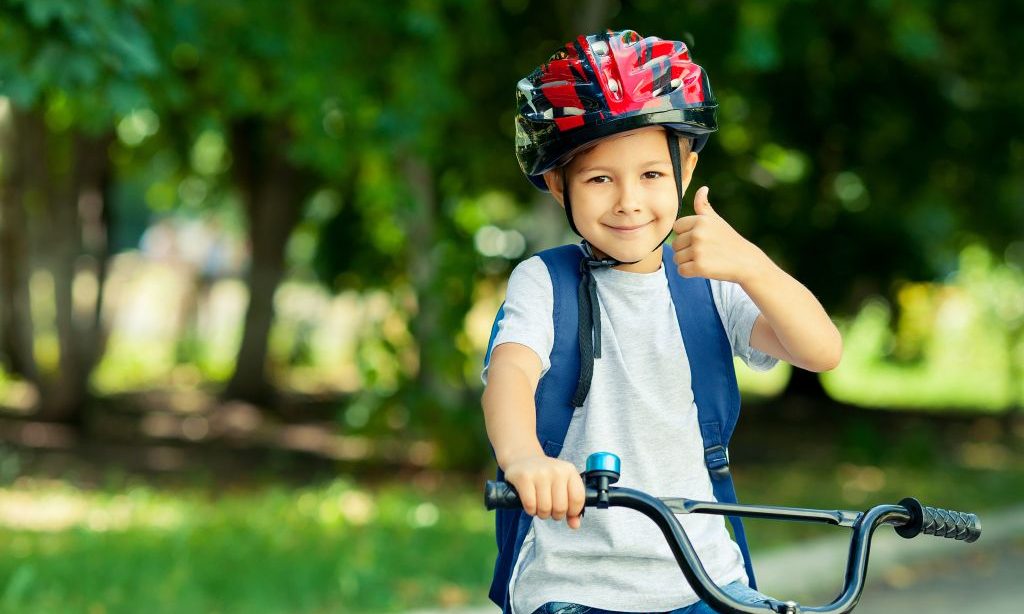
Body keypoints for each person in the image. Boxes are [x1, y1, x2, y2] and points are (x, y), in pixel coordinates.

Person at [481, 30, 843, 614]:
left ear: (687, 167)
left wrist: (754, 266)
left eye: (651, 175)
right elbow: (511, 375)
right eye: (600, 179)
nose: (628, 200)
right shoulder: (543, 282)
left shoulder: (712, 278)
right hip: (577, 585)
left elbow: (821, 350)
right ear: (557, 185)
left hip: (706, 579)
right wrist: (525, 459)